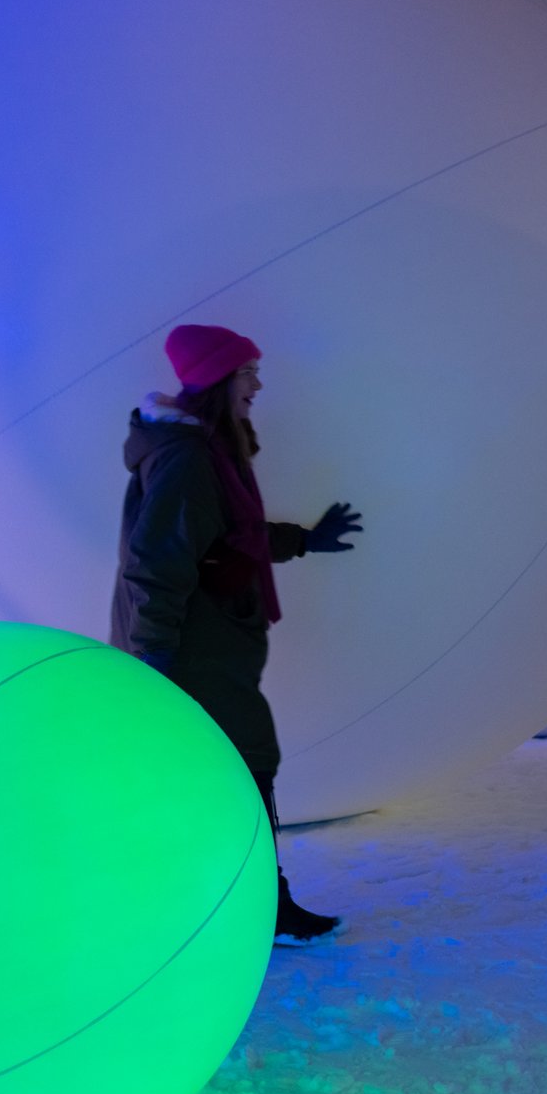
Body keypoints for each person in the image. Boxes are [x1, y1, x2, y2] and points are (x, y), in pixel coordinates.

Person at [111, 323, 362, 945]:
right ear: (220, 380)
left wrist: (303, 539)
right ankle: (250, 907)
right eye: (248, 372)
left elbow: (228, 536)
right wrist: (155, 654)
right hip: (192, 648)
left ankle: (234, 902)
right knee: (242, 765)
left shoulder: (205, 453)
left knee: (228, 767)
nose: (257, 384)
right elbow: (156, 562)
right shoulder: (188, 458)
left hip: (209, 640)